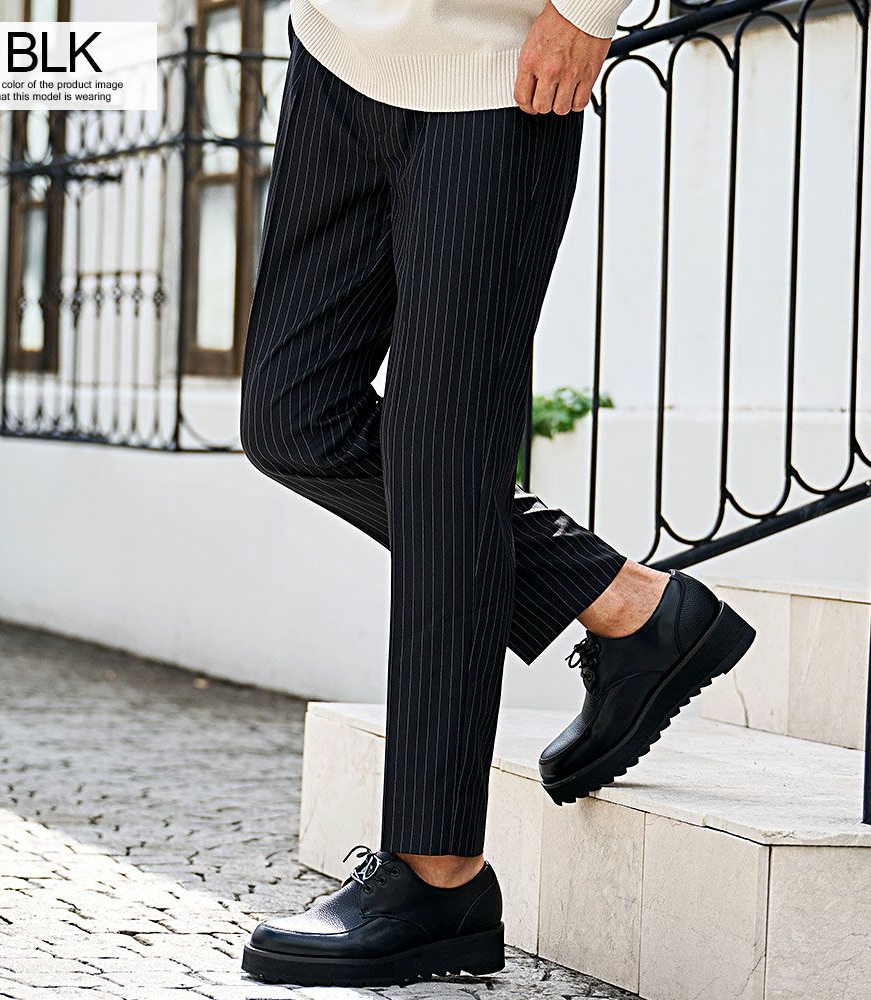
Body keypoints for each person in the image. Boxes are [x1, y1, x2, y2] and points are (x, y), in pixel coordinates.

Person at [238, 0, 755, 986]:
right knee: (291, 418)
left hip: (501, 69)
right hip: (335, 52)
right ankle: (629, 604)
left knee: (444, 459)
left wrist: (587, 8)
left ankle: (438, 877)